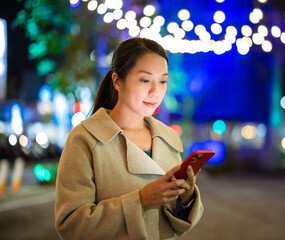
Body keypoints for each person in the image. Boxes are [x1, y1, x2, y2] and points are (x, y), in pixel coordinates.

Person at [55, 37, 204, 240]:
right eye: (145, 80)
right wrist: (140, 200)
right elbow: (71, 225)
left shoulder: (168, 138)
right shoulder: (85, 139)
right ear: (117, 81)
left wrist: (184, 197)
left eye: (162, 81)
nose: (155, 92)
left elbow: (174, 226)